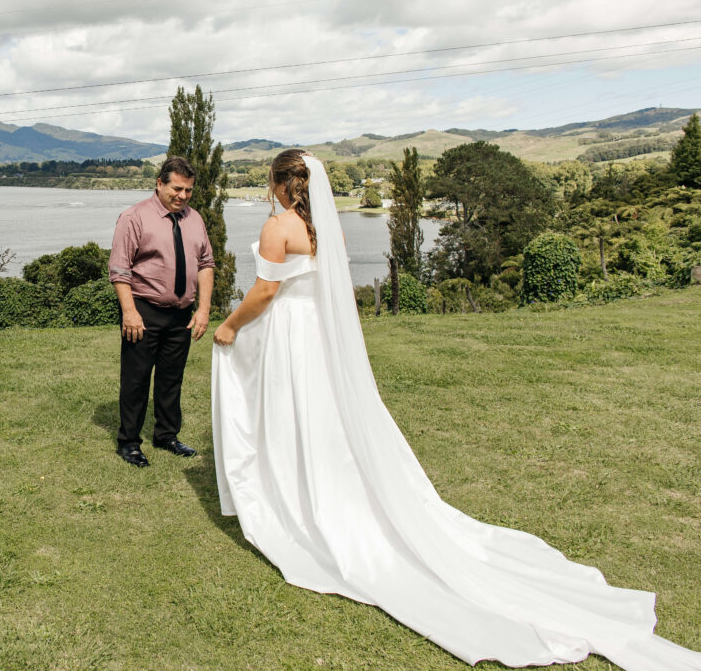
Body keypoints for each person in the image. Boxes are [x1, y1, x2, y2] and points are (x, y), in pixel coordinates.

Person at [211, 149, 701, 669]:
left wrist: (230, 326)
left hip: (290, 334)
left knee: (294, 416)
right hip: (321, 339)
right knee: (328, 420)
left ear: (282, 182)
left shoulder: (277, 227)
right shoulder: (327, 230)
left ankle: (300, 498)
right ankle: (326, 490)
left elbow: (265, 292)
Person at [108, 156, 214, 468]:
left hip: (181, 314)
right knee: (136, 380)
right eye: (177, 189)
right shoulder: (134, 217)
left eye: (189, 191)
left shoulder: (195, 219)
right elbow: (119, 269)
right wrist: (129, 311)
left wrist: (204, 309)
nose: (183, 196)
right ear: (160, 183)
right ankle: (129, 442)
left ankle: (166, 435)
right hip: (143, 311)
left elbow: (206, 263)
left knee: (171, 380)